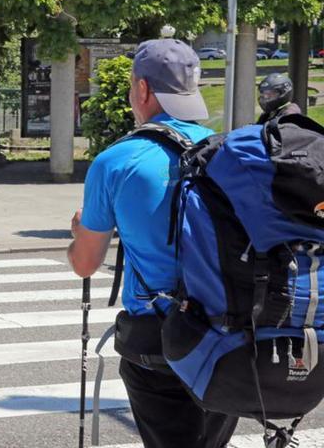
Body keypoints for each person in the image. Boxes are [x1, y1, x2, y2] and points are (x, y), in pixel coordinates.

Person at [67, 39, 239, 448]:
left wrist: (79, 235)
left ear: (142, 90)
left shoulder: (116, 161)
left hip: (157, 344)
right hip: (228, 339)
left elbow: (85, 264)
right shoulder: (228, 150)